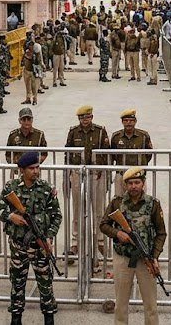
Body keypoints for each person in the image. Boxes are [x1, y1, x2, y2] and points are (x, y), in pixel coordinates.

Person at [0, 152, 62, 325]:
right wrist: (11, 217)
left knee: (45, 283)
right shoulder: (11, 188)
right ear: (22, 170)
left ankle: (49, 317)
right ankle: (16, 318)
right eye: (31, 168)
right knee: (17, 283)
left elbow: (56, 216)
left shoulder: (46, 189)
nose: (36, 171)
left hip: (40, 246)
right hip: (18, 246)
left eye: (37, 167)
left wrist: (49, 237)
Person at [100, 167, 166, 325]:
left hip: (145, 259)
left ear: (143, 184)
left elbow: (161, 233)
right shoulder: (117, 202)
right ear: (125, 185)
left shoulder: (153, 204)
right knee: (121, 304)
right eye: (130, 183)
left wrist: (155, 257)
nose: (134, 186)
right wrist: (118, 234)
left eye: (137, 182)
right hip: (123, 258)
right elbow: (103, 224)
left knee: (150, 306)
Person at [64, 105, 109, 256]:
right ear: (79, 119)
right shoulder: (73, 132)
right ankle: (75, 242)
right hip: (78, 174)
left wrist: (105, 172)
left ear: (92, 117)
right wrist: (68, 175)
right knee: (77, 209)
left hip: (97, 174)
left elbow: (107, 153)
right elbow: (68, 153)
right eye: (82, 117)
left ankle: (100, 241)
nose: (85, 120)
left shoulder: (100, 131)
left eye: (87, 117)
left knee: (98, 209)